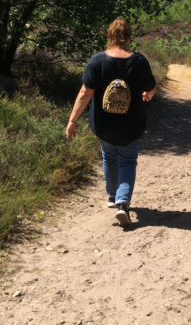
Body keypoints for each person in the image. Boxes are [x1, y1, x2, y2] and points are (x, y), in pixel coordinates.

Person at [66, 17, 156, 227]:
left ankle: (111, 196)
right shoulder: (139, 61)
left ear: (109, 35)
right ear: (129, 37)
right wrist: (148, 95)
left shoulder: (97, 61)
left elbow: (84, 93)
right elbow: (151, 87)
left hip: (103, 125)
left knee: (109, 157)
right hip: (131, 125)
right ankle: (122, 202)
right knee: (127, 161)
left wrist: (72, 120)